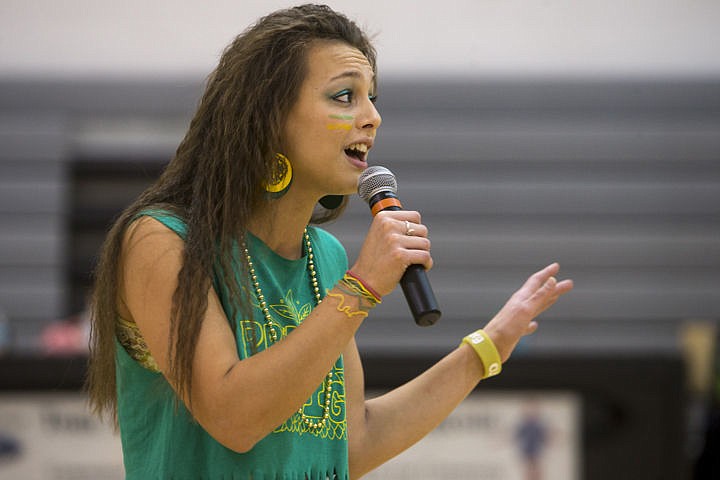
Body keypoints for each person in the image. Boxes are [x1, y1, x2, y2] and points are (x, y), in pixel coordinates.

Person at [86, 4, 574, 479]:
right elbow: (233, 418)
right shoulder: (160, 240)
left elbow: (352, 445)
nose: (371, 118)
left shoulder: (326, 257)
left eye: (372, 99)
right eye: (344, 96)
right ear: (268, 116)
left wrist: (487, 348)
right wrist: (361, 286)